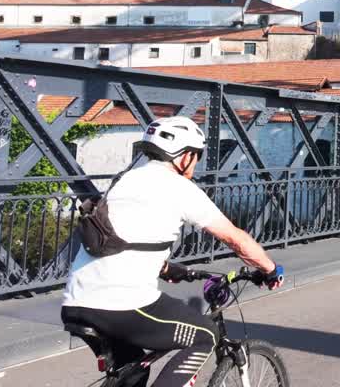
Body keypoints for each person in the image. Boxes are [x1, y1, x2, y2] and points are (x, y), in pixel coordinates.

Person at [60, 117, 284, 387]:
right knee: (205, 335)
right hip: (122, 303)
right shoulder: (180, 188)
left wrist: (167, 268)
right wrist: (270, 269)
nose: (196, 163)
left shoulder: (125, 180)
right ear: (184, 156)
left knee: (132, 369)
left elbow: (124, 238)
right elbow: (235, 239)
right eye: (196, 156)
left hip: (76, 302)